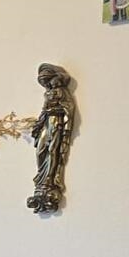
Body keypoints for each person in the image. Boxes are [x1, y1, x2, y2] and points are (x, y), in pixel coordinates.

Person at [28, 64, 75, 214]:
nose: (47, 85)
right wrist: (38, 125)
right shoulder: (48, 94)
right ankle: (41, 179)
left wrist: (58, 113)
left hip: (56, 123)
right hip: (46, 123)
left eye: (47, 81)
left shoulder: (61, 92)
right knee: (41, 151)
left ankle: (49, 178)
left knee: (52, 150)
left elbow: (69, 108)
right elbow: (43, 110)